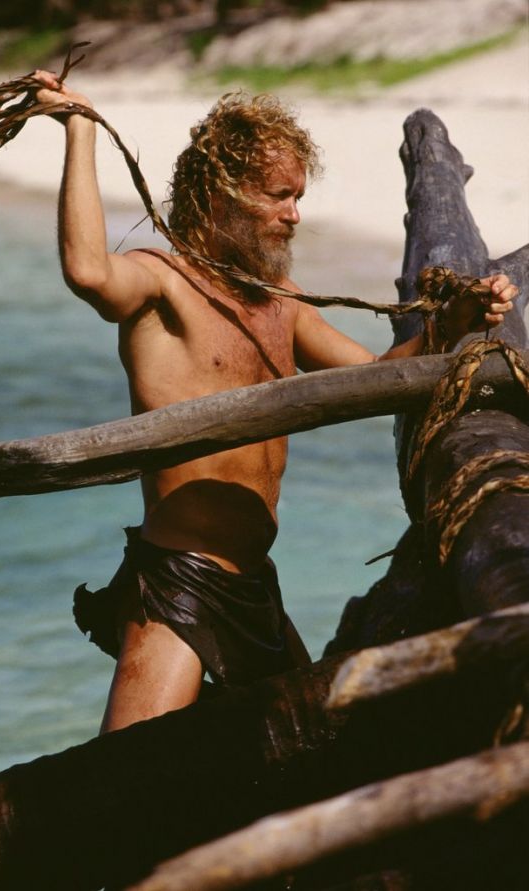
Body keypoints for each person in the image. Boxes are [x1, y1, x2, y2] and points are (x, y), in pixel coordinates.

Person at [33, 72, 518, 733]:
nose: (294, 215)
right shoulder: (163, 282)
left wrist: (453, 322)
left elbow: (376, 378)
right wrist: (80, 128)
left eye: (298, 197)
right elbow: (90, 272)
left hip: (256, 584)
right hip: (182, 582)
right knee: (117, 775)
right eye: (278, 196)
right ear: (222, 195)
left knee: (302, 754)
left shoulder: (279, 302)